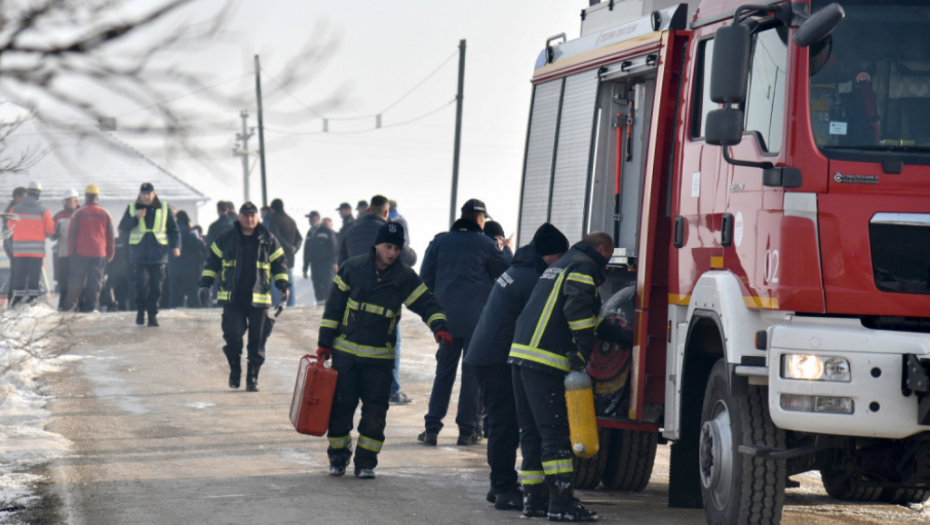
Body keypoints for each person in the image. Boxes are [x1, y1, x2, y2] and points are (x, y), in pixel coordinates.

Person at [508, 231, 629, 521]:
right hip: (546, 361)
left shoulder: (562, 264)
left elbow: (572, 313)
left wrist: (613, 333)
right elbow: (577, 312)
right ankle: (561, 505)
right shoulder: (584, 266)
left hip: (521, 357)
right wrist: (582, 352)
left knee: (532, 435)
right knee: (556, 436)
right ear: (602, 248)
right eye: (608, 256)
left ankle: (534, 501)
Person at [316, 221, 449, 479]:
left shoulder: (404, 277)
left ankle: (366, 463)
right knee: (340, 409)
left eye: (397, 249)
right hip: (346, 357)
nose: (392, 253)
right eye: (388, 247)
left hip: (379, 360)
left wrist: (439, 326)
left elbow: (426, 302)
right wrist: (324, 343)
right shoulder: (352, 268)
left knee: (376, 413)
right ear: (377, 244)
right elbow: (333, 308)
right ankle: (338, 457)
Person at [464, 223, 569, 511]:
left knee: (502, 422)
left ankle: (498, 484)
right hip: (496, 357)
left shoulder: (520, 269)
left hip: (489, 353)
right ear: (548, 254)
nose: (562, 263)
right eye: (560, 256)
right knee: (505, 424)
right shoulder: (533, 279)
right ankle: (503, 488)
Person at [417, 198, 512, 446]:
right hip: (477, 325)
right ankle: (466, 431)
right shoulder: (487, 245)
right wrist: (505, 247)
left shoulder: (439, 242)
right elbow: (507, 273)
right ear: (480, 220)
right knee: (471, 376)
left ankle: (432, 429)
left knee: (443, 374)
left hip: (445, 321)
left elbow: (425, 279)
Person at [198, 202, 288, 391]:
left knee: (257, 340)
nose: (249, 219)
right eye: (246, 215)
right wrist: (205, 284)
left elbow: (279, 263)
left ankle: (252, 378)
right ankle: (235, 370)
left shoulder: (268, 238)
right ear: (239, 217)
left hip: (259, 299)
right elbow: (212, 262)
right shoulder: (226, 238)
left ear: (257, 217)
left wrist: (282, 285)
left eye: (253, 215)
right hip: (234, 299)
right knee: (232, 336)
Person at [339, 195, 417, 405]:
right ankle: (391, 391)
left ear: (367, 210)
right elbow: (410, 258)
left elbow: (341, 265)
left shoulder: (351, 231)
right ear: (386, 212)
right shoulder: (390, 231)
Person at [118, 182, 180, 327]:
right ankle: (140, 311)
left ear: (154, 194)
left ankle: (152, 315)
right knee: (141, 285)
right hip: (139, 255)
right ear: (140, 194)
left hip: (159, 254)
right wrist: (136, 218)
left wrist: (176, 246)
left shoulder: (165, 209)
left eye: (148, 194)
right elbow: (123, 227)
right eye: (143, 194)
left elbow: (173, 230)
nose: (146, 197)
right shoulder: (132, 208)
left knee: (156, 287)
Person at [64, 184, 115, 312]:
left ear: (86, 197)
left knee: (76, 280)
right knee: (95, 281)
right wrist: (110, 253)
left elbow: (71, 235)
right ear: (97, 197)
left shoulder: (78, 213)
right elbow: (110, 236)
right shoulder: (105, 213)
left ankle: (71, 307)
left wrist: (71, 252)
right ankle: (92, 307)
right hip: (99, 253)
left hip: (81, 253)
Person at [6, 181, 55, 306]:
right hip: (36, 252)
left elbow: (9, 226)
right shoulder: (43, 210)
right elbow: (50, 230)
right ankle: (32, 302)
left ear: (28, 192)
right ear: (39, 194)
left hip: (19, 251)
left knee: (19, 277)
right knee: (34, 278)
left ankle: (16, 302)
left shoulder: (14, 209)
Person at [265, 198, 301, 307]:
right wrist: (295, 248)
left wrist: (288, 247)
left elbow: (276, 237)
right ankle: (291, 304)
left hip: (278, 256)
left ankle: (278, 304)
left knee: (276, 279)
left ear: (273, 209)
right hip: (290, 257)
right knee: (289, 279)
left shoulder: (274, 220)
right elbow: (299, 238)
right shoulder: (291, 220)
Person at [168, 210, 206, 308]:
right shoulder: (188, 232)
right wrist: (200, 241)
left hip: (173, 270)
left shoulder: (170, 232)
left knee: (174, 297)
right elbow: (199, 246)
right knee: (192, 296)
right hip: (189, 270)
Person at [52, 189, 80, 310]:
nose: (67, 203)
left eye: (70, 200)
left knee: (77, 280)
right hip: (63, 253)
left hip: (78, 254)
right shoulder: (59, 216)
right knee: (63, 281)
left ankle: (77, 304)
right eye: (66, 200)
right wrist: (54, 234)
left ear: (76, 200)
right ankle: (63, 304)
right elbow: (50, 231)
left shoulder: (82, 213)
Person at [303, 211, 338, 305]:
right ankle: (320, 305)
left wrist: (334, 262)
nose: (310, 220)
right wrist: (305, 268)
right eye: (309, 218)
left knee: (327, 284)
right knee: (317, 285)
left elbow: (333, 246)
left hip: (326, 263)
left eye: (312, 218)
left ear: (318, 219)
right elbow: (306, 251)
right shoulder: (309, 233)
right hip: (314, 264)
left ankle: (330, 305)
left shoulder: (326, 231)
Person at [3, 187, 28, 260]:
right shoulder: (11, 211)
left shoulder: (16, 209)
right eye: (24, 197)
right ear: (17, 197)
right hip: (14, 248)